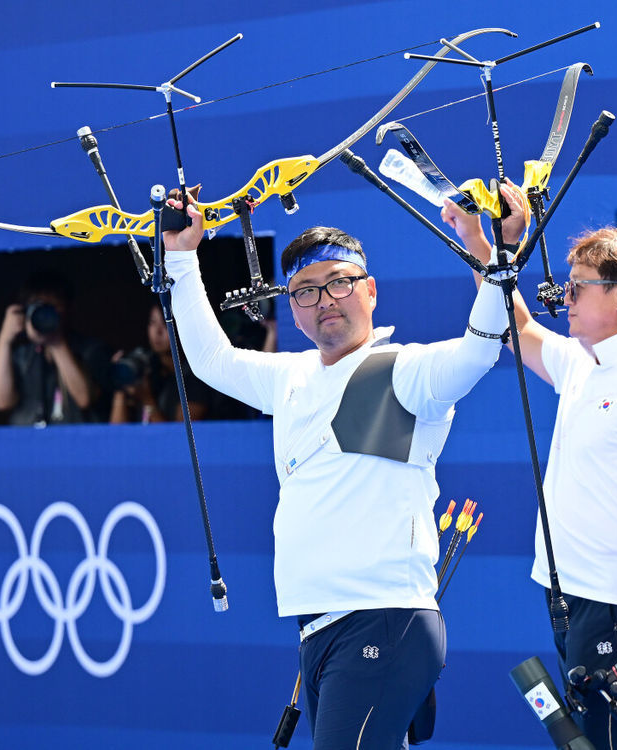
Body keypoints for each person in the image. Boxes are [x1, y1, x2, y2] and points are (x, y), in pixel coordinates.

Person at [161, 194, 522, 749]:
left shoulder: (403, 370)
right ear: (292, 306)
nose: (324, 300)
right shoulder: (290, 377)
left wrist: (499, 256)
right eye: (305, 292)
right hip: (321, 628)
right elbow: (211, 361)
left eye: (339, 283)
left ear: (370, 290)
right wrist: (182, 259)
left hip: (383, 620)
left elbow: (479, 352)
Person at [443, 196, 617, 750]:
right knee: (584, 740)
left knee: (608, 744)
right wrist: (488, 244)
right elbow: (514, 323)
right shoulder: (584, 362)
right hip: (568, 596)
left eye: (579, 285)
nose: (565, 296)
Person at [0, 270, 111, 426]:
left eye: (52, 306)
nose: (44, 313)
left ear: (68, 309)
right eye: (37, 306)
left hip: (75, 442)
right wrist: (5, 340)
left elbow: (84, 399)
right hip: (29, 444)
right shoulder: (22, 356)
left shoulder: (92, 350)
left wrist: (56, 342)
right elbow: (2, 402)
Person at [109, 302, 213, 424]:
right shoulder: (147, 370)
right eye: (153, 322)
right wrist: (121, 382)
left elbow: (181, 437)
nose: (157, 331)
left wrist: (147, 399)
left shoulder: (196, 376)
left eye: (165, 323)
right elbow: (116, 432)